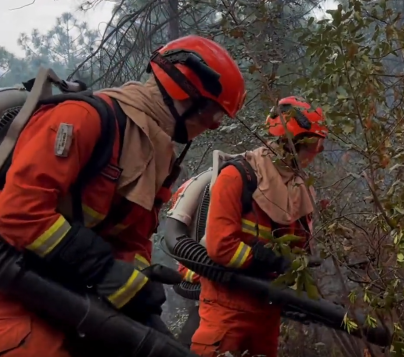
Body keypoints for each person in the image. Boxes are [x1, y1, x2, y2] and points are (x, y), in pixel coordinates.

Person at [0, 34, 246, 357]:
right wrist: (102, 270)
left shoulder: (152, 154)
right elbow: (17, 213)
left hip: (67, 295)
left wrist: (138, 288)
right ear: (184, 95)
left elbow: (131, 238)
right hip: (14, 291)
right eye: (213, 116)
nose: (212, 127)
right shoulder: (85, 119)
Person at [190, 96, 327, 357]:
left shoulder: (299, 190)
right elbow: (220, 247)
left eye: (319, 145)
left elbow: (299, 250)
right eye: (311, 144)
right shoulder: (238, 176)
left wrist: (297, 285)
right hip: (226, 308)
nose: (315, 152)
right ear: (290, 143)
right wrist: (265, 259)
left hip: (267, 311)